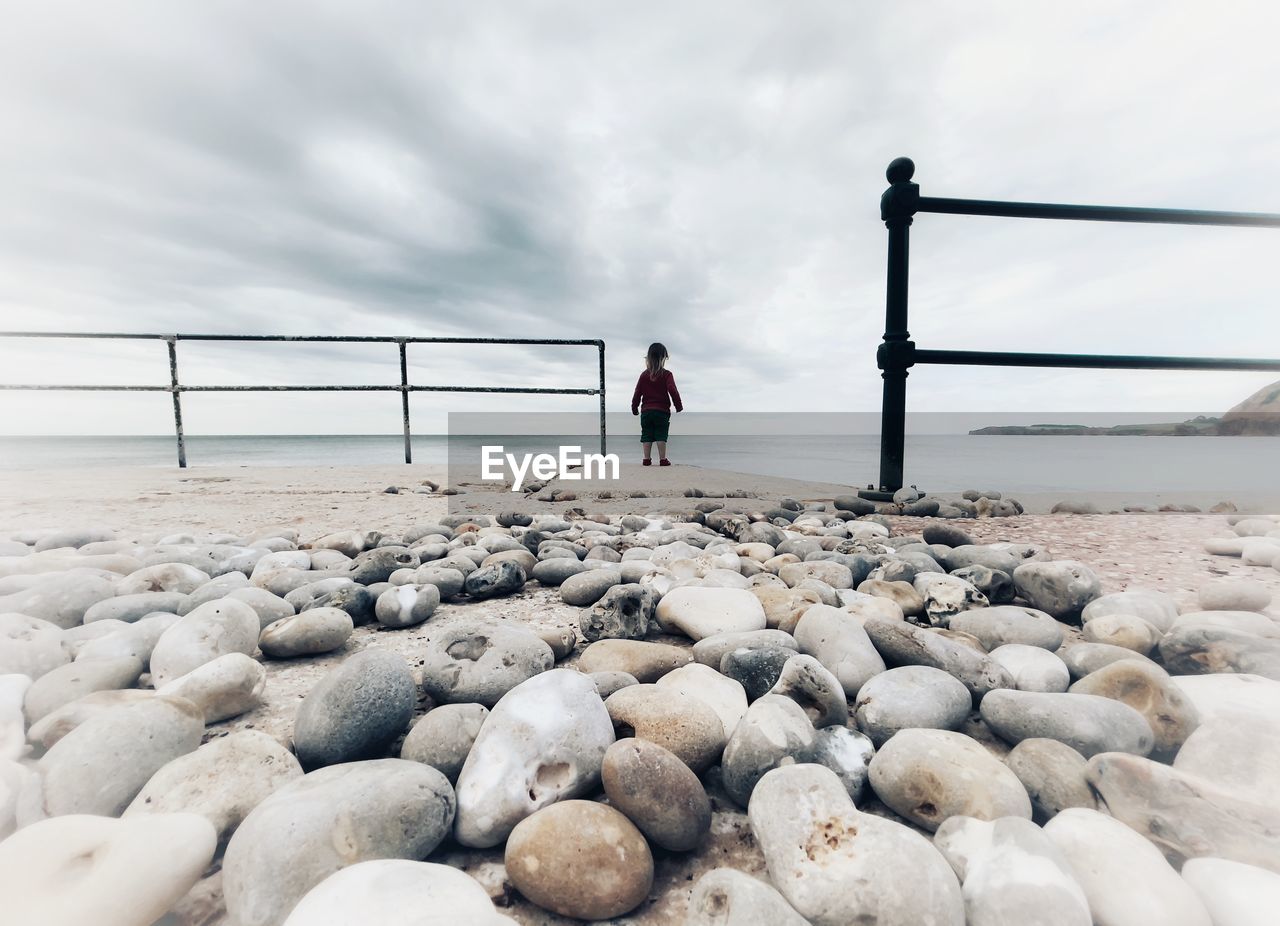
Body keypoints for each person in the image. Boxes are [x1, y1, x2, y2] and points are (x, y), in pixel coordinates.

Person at [630, 342, 682, 466]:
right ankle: (662, 459)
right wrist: (678, 405)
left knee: (646, 433)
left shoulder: (644, 375)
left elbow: (637, 392)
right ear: (663, 358)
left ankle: (646, 459)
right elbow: (672, 390)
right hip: (662, 411)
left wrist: (634, 407)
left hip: (646, 411)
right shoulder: (667, 374)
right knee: (661, 434)